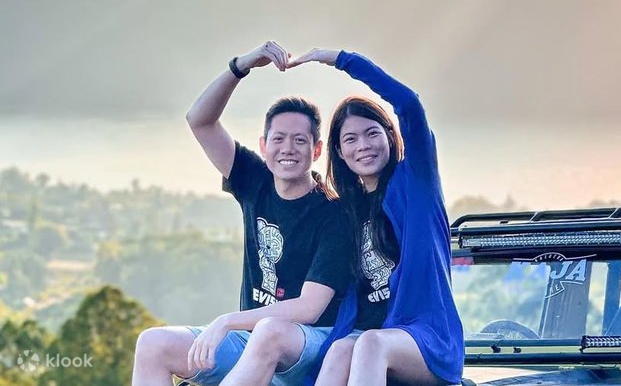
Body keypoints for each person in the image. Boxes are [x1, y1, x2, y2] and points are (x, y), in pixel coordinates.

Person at [131, 41, 353, 386]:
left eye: (300, 140)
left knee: (270, 331)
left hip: (307, 349)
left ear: (317, 149)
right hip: (250, 344)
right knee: (153, 343)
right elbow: (200, 121)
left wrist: (226, 321)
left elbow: (308, 309)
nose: (288, 149)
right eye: (278, 139)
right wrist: (241, 66)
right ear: (264, 145)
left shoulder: (334, 213)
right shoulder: (255, 180)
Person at [287, 48, 464, 385]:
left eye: (372, 133)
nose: (363, 145)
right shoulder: (346, 211)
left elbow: (409, 104)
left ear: (389, 136)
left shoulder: (416, 183)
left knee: (369, 343)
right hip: (374, 336)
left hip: (426, 338)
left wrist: (340, 59)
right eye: (350, 139)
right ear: (340, 152)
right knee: (341, 348)